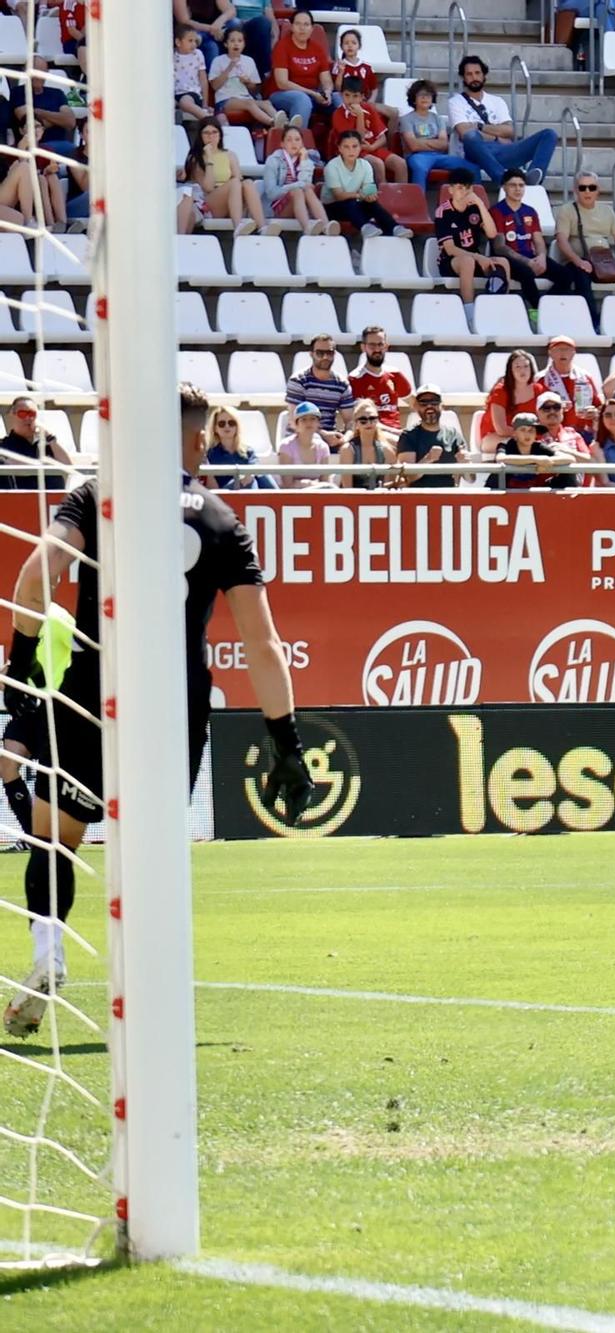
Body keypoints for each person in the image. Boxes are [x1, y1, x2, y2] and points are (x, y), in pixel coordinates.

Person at [2, 385, 314, 1037]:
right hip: (175, 703)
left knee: (55, 832)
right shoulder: (222, 520)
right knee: (151, 852)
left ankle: (46, 955)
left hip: (94, 689)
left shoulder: (98, 495)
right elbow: (263, 641)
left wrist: (21, 666)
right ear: (201, 439)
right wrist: (285, 739)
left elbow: (37, 577)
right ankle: (150, 993)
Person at [448, 55, 558, 186]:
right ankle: (503, 180)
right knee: (471, 136)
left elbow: (509, 131)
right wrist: (496, 137)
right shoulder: (455, 102)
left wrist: (479, 126)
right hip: (473, 153)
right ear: (463, 78)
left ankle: (532, 178)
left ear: (484, 75)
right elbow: (464, 132)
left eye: (477, 73)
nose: (474, 77)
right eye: (469, 74)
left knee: (549, 134)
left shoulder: (497, 101)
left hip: (503, 151)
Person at [554, 172, 615, 320]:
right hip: (578, 261)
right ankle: (592, 321)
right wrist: (579, 261)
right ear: (576, 190)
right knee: (581, 274)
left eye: (592, 187)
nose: (587, 192)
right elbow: (561, 240)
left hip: (603, 262)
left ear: (598, 190)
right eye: (583, 188)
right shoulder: (567, 210)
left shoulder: (607, 210)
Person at [176, 115, 269, 236]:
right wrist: (209, 158)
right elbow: (208, 188)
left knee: (248, 183)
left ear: (220, 135)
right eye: (206, 133)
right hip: (210, 203)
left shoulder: (230, 155)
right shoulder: (196, 158)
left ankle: (263, 227)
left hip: (233, 200)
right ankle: (238, 226)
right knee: (235, 183)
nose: (211, 136)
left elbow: (238, 178)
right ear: (201, 136)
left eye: (214, 132)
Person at [433, 168, 507, 318]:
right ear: (451, 190)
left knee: (502, 262)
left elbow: (492, 233)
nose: (465, 192)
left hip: (475, 258)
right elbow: (450, 249)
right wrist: (477, 257)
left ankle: (499, 308)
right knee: (468, 261)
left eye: (468, 188)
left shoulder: (475, 209)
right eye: (460, 188)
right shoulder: (443, 212)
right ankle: (469, 312)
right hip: (451, 262)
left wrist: (480, 204)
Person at [490, 167, 559, 320]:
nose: (518, 189)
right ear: (504, 187)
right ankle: (536, 312)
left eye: (521, 185)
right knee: (527, 273)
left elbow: (538, 239)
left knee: (565, 276)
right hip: (508, 260)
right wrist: (527, 262)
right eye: (513, 185)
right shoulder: (497, 211)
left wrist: (541, 257)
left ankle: (545, 307)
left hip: (531, 256)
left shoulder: (530, 211)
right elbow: (499, 247)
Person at [320, 129, 404, 237]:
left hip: (356, 203)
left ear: (360, 147)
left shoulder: (365, 165)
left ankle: (394, 227)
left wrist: (371, 196)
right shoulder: (332, 167)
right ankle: (365, 227)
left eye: (355, 146)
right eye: (346, 147)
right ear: (340, 148)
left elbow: (369, 190)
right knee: (351, 203)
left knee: (372, 204)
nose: (351, 151)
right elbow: (338, 195)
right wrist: (360, 195)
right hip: (333, 207)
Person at [399, 79, 479, 187]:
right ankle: (418, 202)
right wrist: (433, 143)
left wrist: (422, 142)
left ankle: (473, 200)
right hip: (417, 156)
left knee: (472, 168)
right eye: (420, 95)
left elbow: (444, 144)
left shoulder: (438, 119)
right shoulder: (406, 119)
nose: (425, 98)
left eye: (428, 95)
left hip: (439, 156)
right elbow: (413, 146)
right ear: (413, 99)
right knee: (420, 168)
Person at [261, 121, 334, 235]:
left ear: (302, 143)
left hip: (301, 204)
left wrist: (304, 161)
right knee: (298, 191)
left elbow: (306, 185)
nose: (293, 143)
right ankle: (307, 228)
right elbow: (271, 193)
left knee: (308, 190)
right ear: (282, 144)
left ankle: (326, 227)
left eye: (297, 139)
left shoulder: (307, 161)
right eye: (289, 140)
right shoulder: (273, 160)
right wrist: (296, 186)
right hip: (277, 208)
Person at [397, 385, 469, 488]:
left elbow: (471, 479)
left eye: (434, 402)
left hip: (449, 496)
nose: (429, 406)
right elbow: (407, 477)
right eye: (423, 402)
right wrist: (427, 460)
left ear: (441, 405)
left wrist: (466, 463)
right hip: (418, 496)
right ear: (417, 407)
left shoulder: (453, 435)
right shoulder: (408, 436)